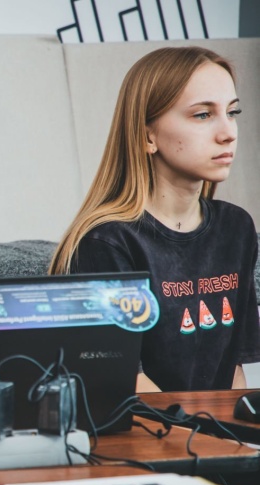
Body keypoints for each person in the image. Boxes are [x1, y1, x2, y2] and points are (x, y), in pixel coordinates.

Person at [49, 46, 260, 393]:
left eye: (232, 112)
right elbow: (126, 383)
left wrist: (233, 427)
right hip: (149, 426)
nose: (228, 133)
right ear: (148, 136)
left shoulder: (236, 228)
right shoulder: (107, 242)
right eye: (203, 115)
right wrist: (203, 429)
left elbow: (233, 373)